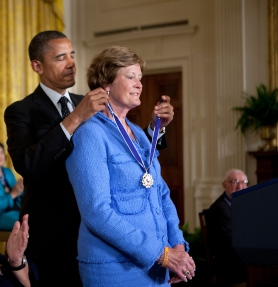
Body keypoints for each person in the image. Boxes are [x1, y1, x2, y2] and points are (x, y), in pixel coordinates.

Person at [4, 30, 174, 286]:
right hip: (53, 231)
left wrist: (155, 130)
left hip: (101, 236)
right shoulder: (21, 111)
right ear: (37, 66)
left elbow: (123, 145)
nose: (71, 63)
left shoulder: (87, 99)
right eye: (60, 57)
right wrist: (75, 119)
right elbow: (27, 165)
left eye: (72, 55)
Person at [65, 46, 194, 286]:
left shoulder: (138, 133)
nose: (139, 84)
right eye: (130, 76)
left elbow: (161, 194)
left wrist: (177, 246)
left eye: (140, 78)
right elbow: (97, 212)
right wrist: (163, 254)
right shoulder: (90, 134)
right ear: (106, 83)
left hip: (157, 267)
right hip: (115, 268)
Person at [206, 169, 248, 286]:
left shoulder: (244, 205)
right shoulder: (219, 209)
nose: (240, 186)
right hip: (229, 265)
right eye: (235, 182)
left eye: (244, 182)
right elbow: (229, 242)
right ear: (225, 185)